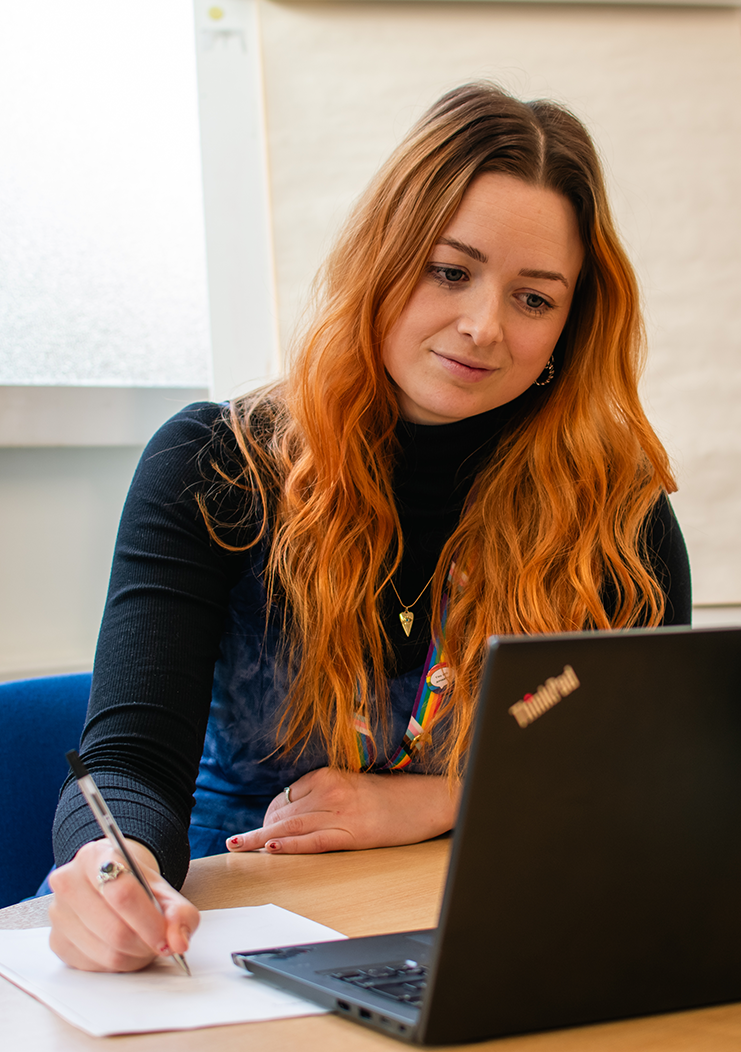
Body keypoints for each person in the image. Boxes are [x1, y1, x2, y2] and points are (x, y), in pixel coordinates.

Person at [47, 82, 691, 972]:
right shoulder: (217, 463)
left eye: (534, 299)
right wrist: (112, 866)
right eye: (450, 270)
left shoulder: (617, 516)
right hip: (223, 930)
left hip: (481, 934)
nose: (482, 326)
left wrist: (446, 800)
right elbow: (127, 762)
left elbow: (645, 784)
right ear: (384, 259)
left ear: (571, 327)